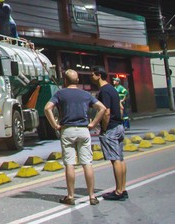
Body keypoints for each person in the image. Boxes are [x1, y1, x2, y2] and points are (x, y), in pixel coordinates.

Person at [44, 69, 107, 206]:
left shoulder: (60, 94)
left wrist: (55, 125)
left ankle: (71, 196)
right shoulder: (85, 94)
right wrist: (93, 124)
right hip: (84, 130)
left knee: (70, 163)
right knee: (87, 163)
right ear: (77, 80)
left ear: (65, 81)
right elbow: (102, 108)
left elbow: (47, 108)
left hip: (67, 130)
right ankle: (92, 196)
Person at [93, 69, 128, 201]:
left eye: (93, 74)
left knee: (115, 160)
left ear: (99, 75)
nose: (92, 76)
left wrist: (104, 128)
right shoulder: (113, 89)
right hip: (119, 126)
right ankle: (123, 188)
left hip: (111, 128)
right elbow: (120, 107)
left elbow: (106, 112)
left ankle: (118, 191)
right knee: (120, 158)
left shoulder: (104, 91)